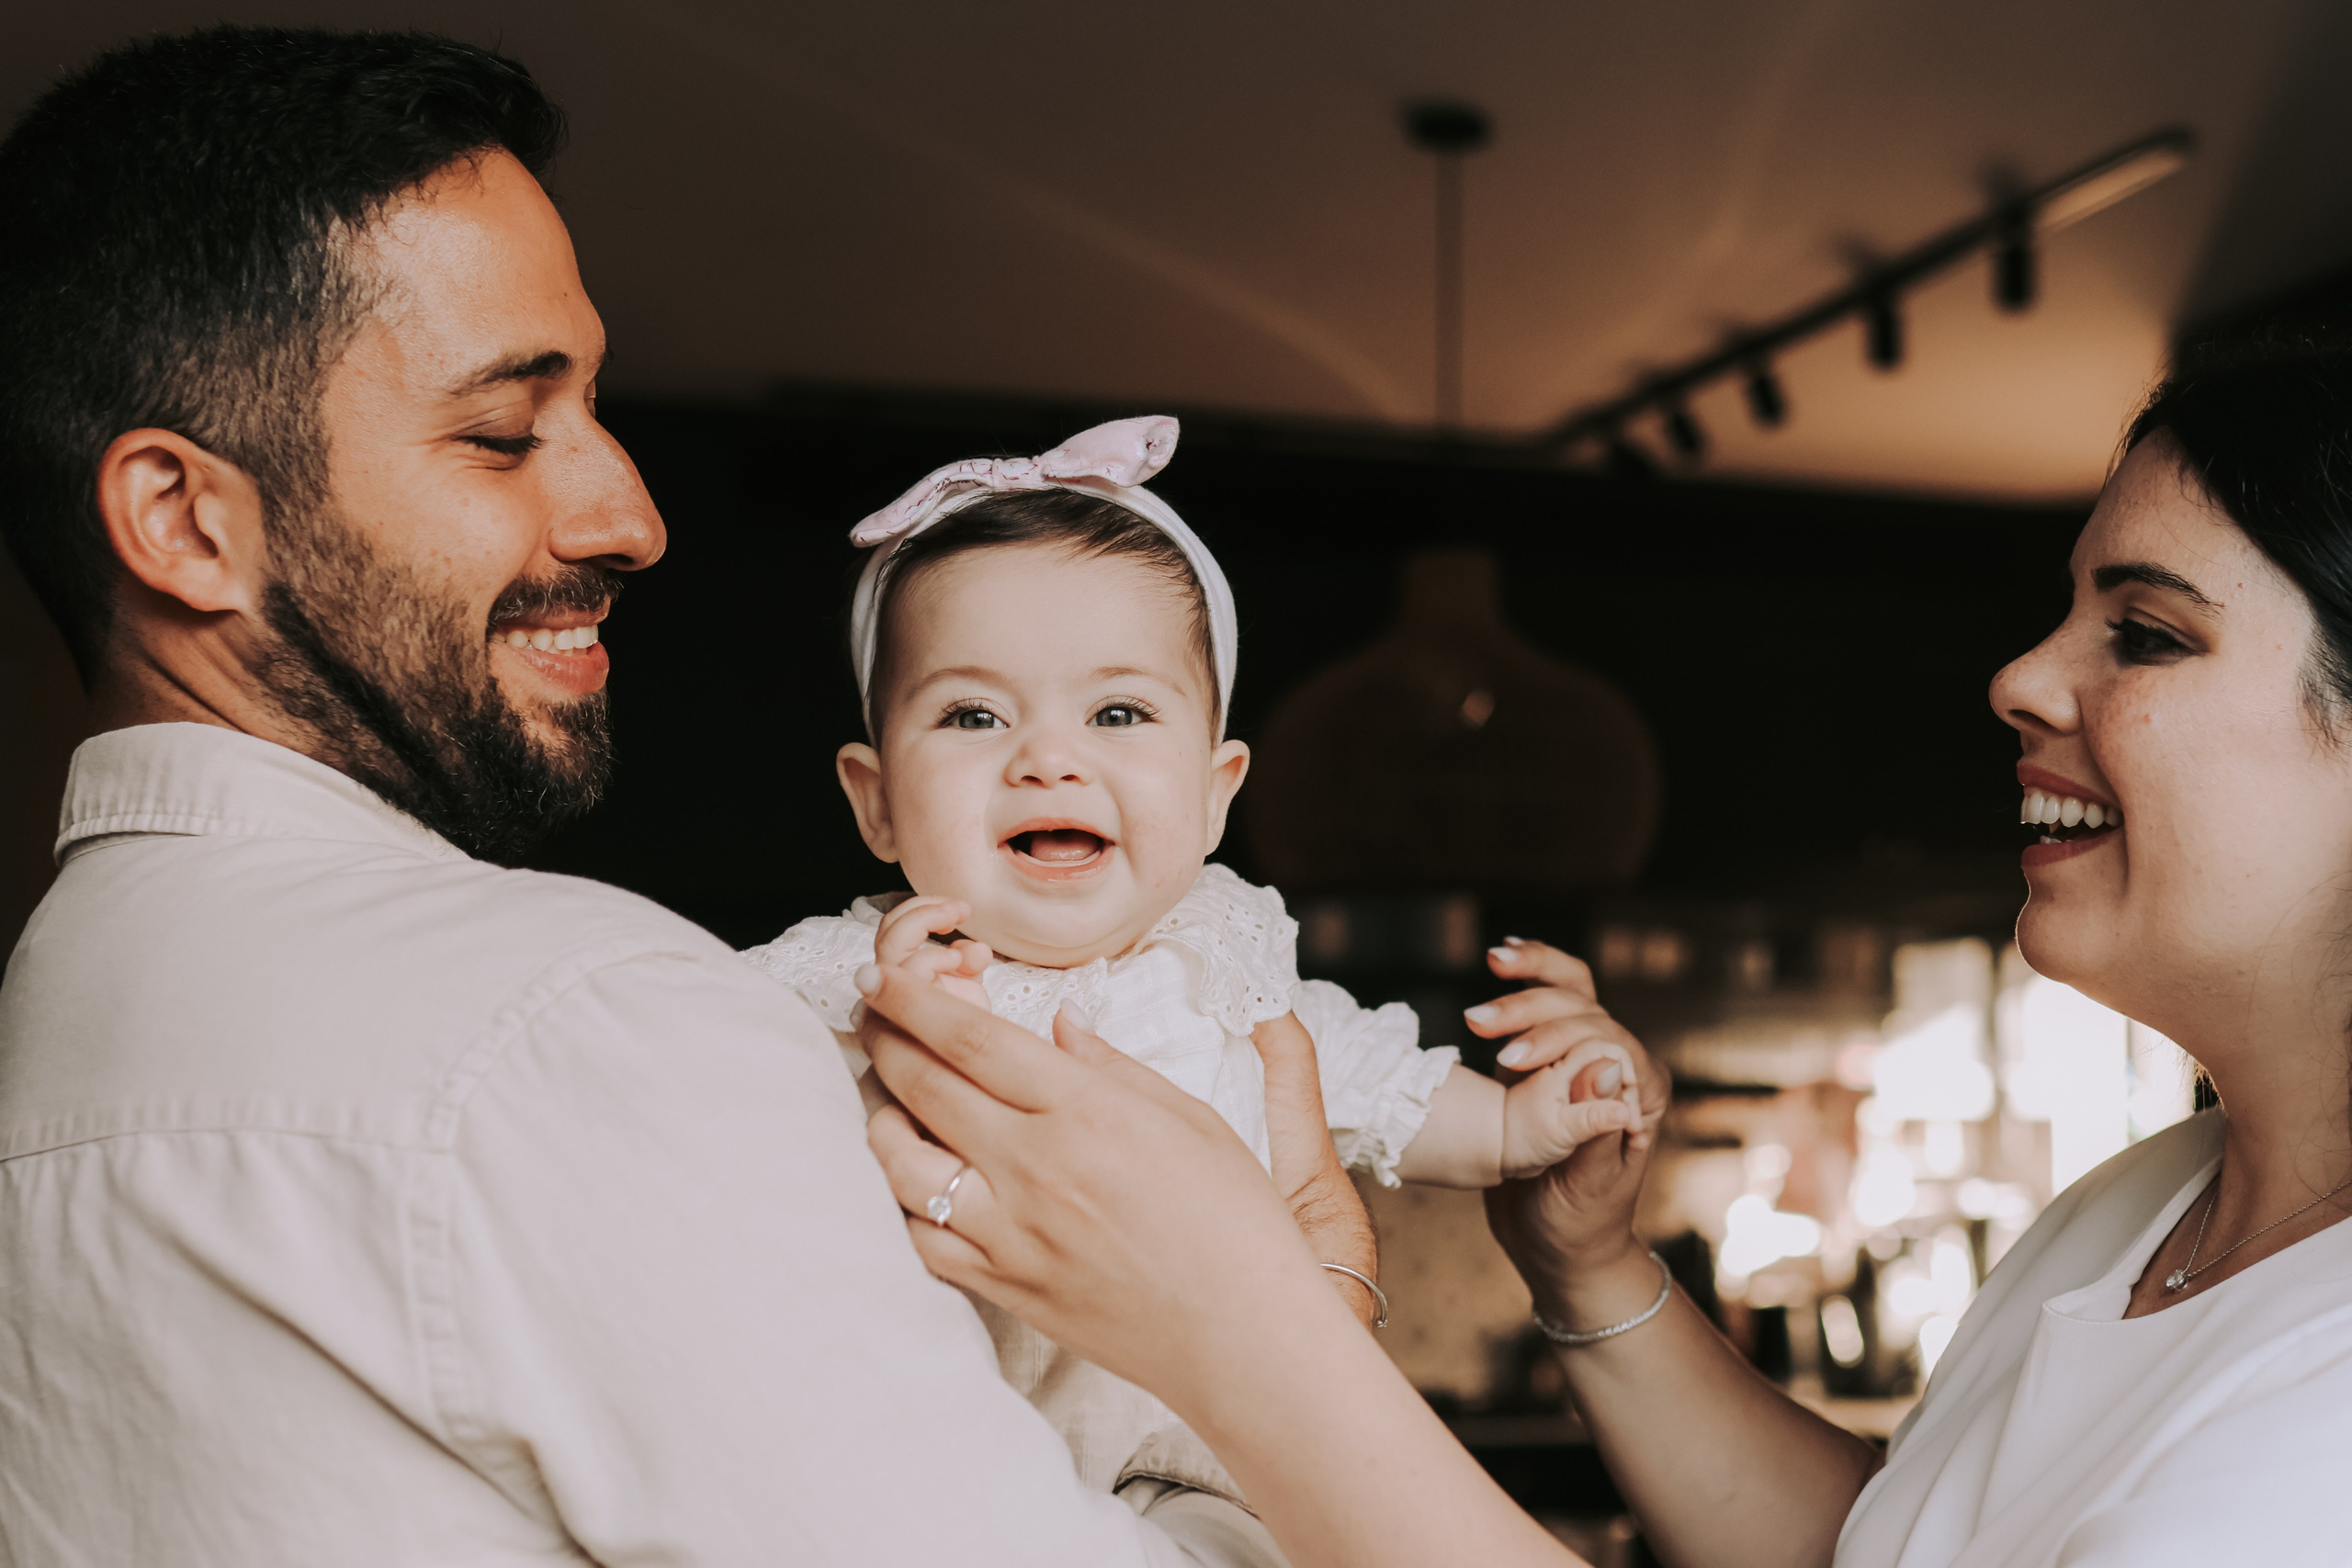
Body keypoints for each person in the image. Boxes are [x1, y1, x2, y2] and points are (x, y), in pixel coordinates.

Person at [0, 27, 1384, 1565]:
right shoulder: (578, 1025)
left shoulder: (59, 1008)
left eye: (596, 409)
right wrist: (1285, 1343)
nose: (633, 516)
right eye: (504, 432)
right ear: (184, 522)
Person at [854, 341, 2352, 1568]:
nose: (2020, 674)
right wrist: (1593, 1263)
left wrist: (1243, 1330)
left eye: (2146, 633)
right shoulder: (2136, 1209)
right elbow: (1879, 1550)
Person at [742, 417, 1642, 1502]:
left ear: (1216, 796)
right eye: (973, 715)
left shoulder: (1225, 963)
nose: (1049, 759)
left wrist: (1517, 1125)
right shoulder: (835, 984)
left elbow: (1369, 1079)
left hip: (1215, 1469)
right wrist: (886, 1045)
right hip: (955, 1487)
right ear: (876, 801)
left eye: (1117, 711)